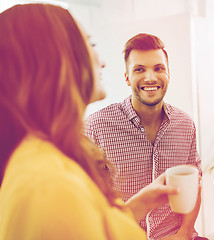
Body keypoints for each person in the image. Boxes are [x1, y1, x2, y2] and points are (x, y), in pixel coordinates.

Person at [0, 4, 179, 239]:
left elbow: (93, 225)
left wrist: (143, 201)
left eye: (158, 68)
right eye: (91, 44)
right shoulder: (48, 186)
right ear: (56, 58)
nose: (102, 62)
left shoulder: (51, 158)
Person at [85, 33, 205, 240]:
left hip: (176, 235)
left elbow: (196, 183)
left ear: (168, 74)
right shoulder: (97, 126)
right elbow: (88, 202)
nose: (150, 77)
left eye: (159, 68)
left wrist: (184, 233)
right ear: (127, 77)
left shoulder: (185, 124)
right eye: (139, 69)